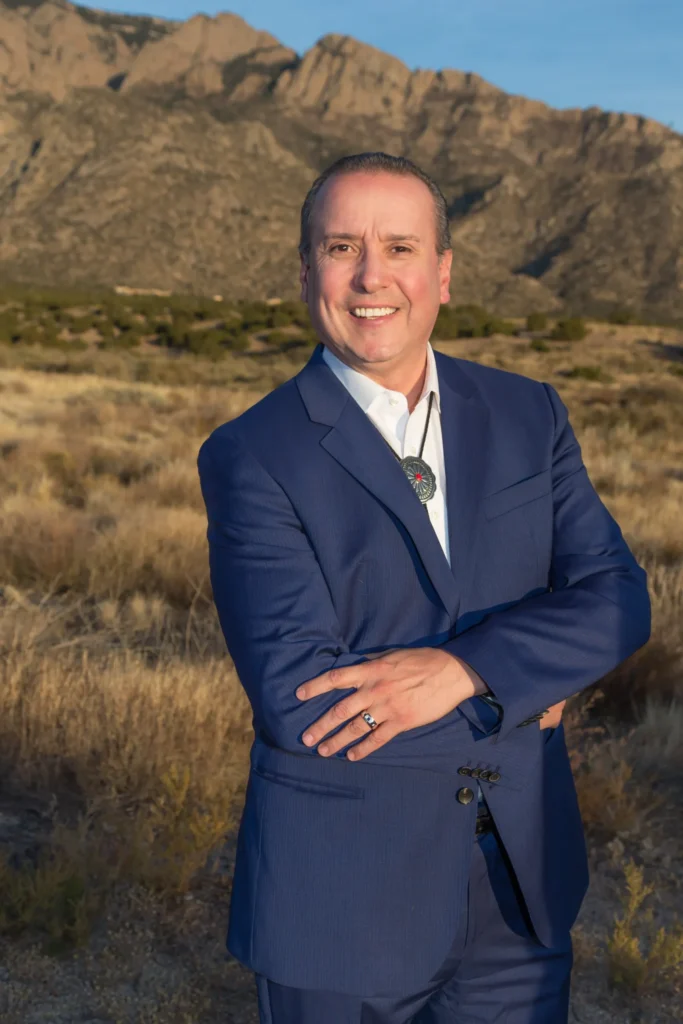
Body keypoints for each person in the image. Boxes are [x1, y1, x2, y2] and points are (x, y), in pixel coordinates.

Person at [197, 152, 651, 1024]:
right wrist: (523, 685)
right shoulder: (251, 454)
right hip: (343, 902)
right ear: (305, 272)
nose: (372, 276)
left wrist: (468, 673)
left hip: (519, 890)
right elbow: (304, 703)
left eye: (399, 248)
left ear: (442, 273)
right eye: (341, 248)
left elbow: (617, 597)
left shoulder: (529, 414)